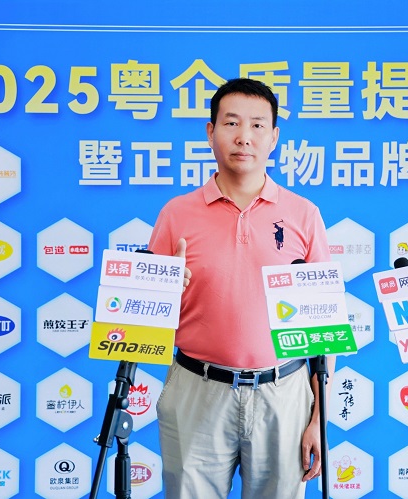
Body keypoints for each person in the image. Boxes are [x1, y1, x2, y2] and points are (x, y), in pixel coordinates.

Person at [148, 78, 335, 499]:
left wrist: (318, 418)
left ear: (274, 137)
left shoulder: (304, 215)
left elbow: (324, 329)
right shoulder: (176, 214)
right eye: (231, 123)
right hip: (196, 387)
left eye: (257, 125)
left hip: (283, 391)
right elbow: (144, 315)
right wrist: (165, 291)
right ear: (210, 131)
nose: (244, 137)